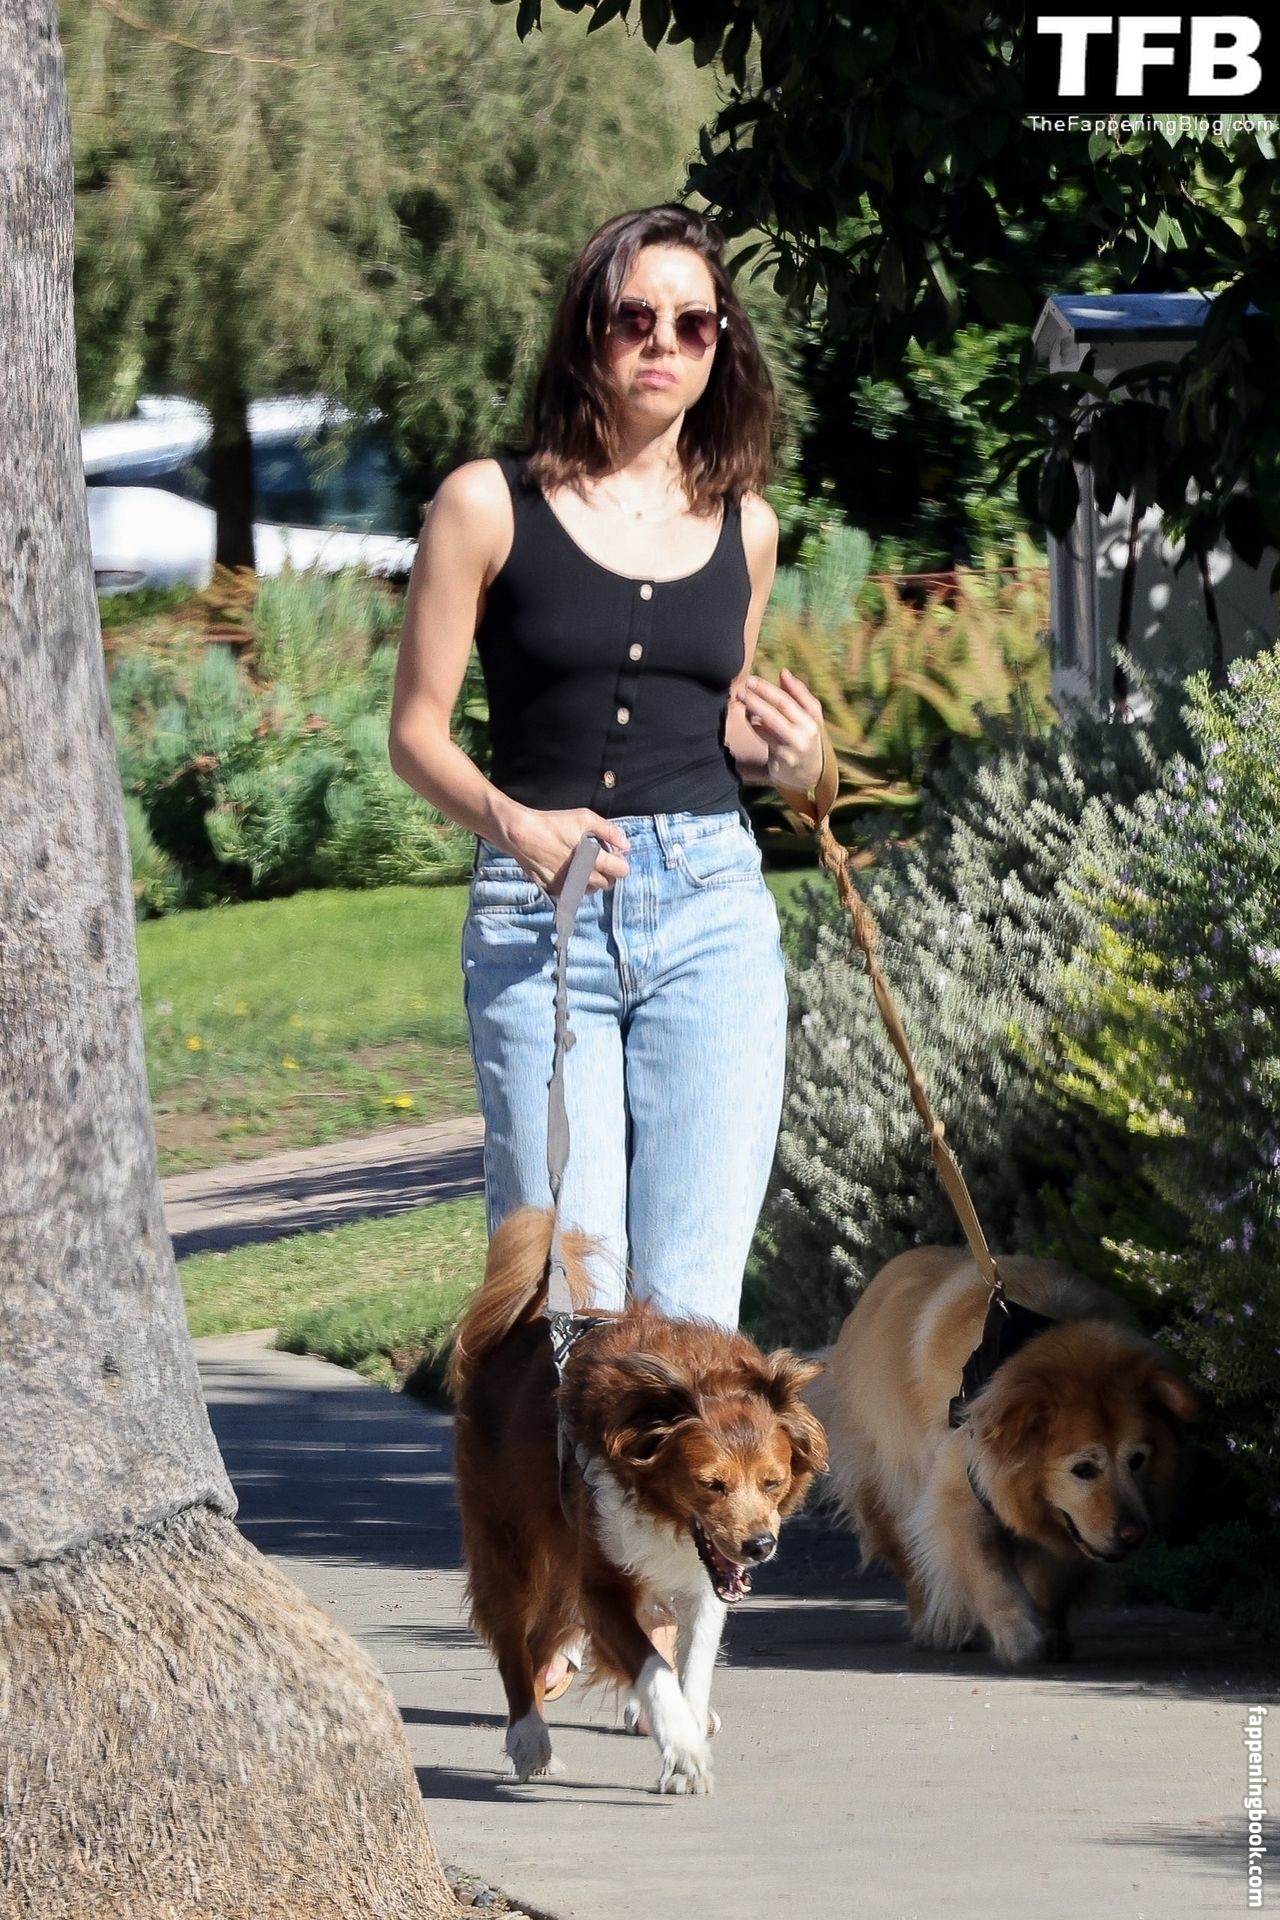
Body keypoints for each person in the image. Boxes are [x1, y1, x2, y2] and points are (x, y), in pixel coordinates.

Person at [389, 206, 831, 1687]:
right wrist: (514, 822)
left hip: (712, 910)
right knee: (576, 1301)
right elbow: (414, 735)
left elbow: (739, 732)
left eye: (693, 323)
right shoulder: (488, 504)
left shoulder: (746, 522)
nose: (663, 345)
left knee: (694, 1311)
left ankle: (672, 1621)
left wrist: (804, 765)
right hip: (545, 918)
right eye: (635, 317)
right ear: (590, 328)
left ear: (721, 348)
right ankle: (582, 1591)